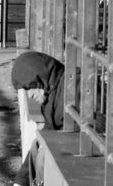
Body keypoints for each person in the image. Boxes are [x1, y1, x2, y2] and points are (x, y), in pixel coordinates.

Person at [11, 51, 79, 186]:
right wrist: (20, 181)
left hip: (82, 151)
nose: (29, 95)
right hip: (70, 147)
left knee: (43, 155)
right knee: (37, 146)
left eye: (30, 87)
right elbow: (45, 137)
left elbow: (98, 128)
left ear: (40, 77)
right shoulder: (51, 97)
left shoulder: (74, 86)